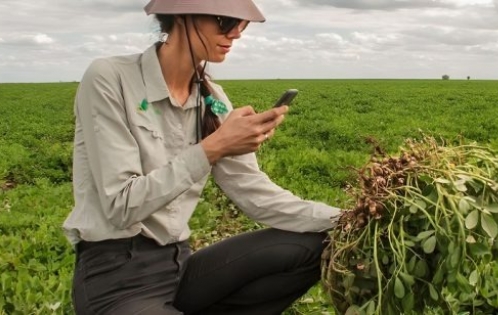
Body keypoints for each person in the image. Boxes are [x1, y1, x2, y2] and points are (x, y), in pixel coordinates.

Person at [62, 0, 341, 314]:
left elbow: (255, 193)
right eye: (226, 22)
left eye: (243, 24)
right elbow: (121, 206)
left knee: (315, 245)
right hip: (116, 278)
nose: (236, 33)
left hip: (180, 267)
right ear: (183, 17)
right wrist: (214, 147)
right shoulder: (109, 78)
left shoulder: (214, 100)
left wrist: (349, 220)